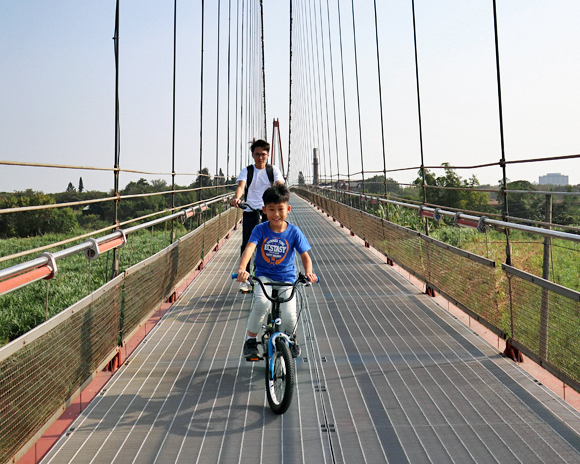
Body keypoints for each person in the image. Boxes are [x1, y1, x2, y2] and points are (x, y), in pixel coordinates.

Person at [236, 184, 317, 360]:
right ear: (264, 210)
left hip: (287, 278)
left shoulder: (294, 232)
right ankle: (250, 341)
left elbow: (306, 257)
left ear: (288, 209)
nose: (276, 214)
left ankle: (291, 338)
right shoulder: (260, 229)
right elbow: (249, 249)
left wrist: (309, 273)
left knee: (289, 314)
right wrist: (242, 270)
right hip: (263, 276)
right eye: (271, 210)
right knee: (262, 304)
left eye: (280, 209)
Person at [230, 139, 284, 292]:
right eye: (257, 154)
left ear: (268, 155)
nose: (260, 157)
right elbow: (241, 186)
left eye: (263, 154)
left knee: (273, 244)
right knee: (248, 244)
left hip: (269, 211)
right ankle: (245, 279)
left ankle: (273, 276)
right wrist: (237, 198)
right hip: (250, 210)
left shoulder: (273, 170)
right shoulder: (247, 171)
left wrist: (281, 191)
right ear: (253, 155)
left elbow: (279, 183)